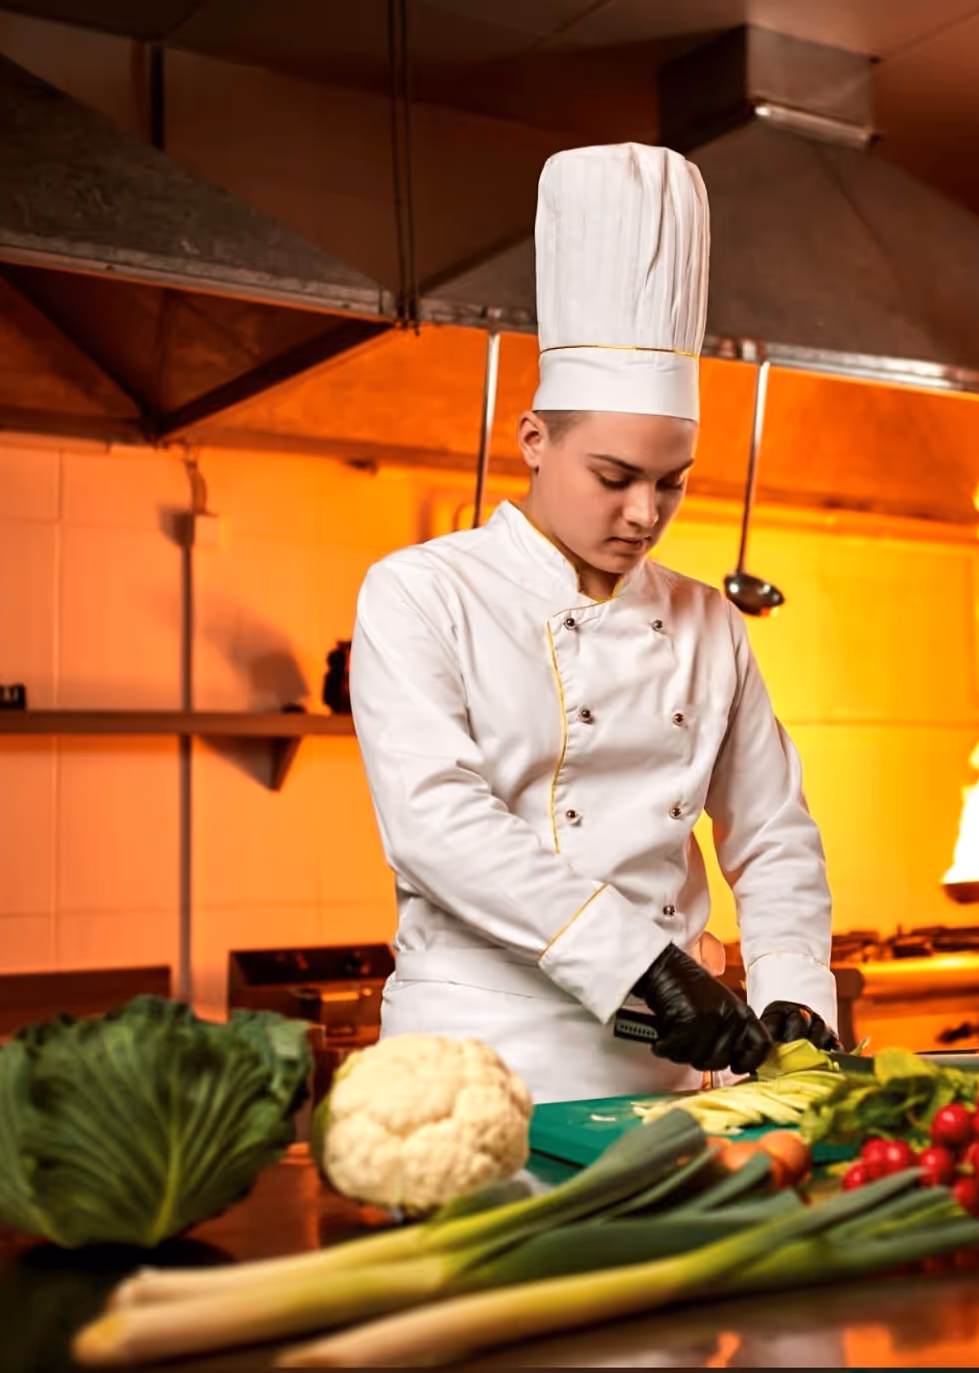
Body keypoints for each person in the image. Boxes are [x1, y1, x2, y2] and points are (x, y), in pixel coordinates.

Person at [349, 143, 839, 1104]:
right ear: (534, 440)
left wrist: (793, 988)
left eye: (672, 483)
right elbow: (435, 823)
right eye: (614, 477)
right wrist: (637, 960)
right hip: (474, 1062)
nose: (644, 513)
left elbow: (773, 830)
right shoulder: (419, 593)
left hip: (664, 1068)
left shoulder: (708, 624)